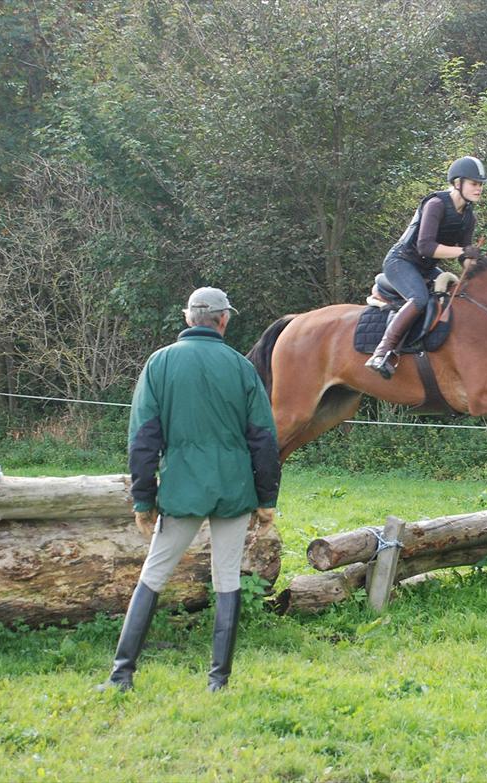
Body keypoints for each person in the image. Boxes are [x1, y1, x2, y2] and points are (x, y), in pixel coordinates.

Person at [97, 286, 280, 693]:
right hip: (234, 491)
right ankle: (219, 682)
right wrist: (267, 499)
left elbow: (143, 439)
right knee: (227, 578)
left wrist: (143, 499)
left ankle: (122, 674)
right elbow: (264, 439)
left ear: (188, 318)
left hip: (181, 489)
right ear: (223, 319)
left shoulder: (159, 363)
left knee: (155, 574)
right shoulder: (240, 367)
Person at [365, 155, 487, 379]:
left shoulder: (468, 218)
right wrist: (462, 252)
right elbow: (425, 247)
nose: (479, 189)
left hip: (425, 269)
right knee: (419, 299)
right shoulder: (436, 204)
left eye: (480, 184)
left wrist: (478, 265)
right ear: (457, 183)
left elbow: (464, 258)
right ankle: (381, 353)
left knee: (455, 296)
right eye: (474, 183)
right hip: (400, 262)